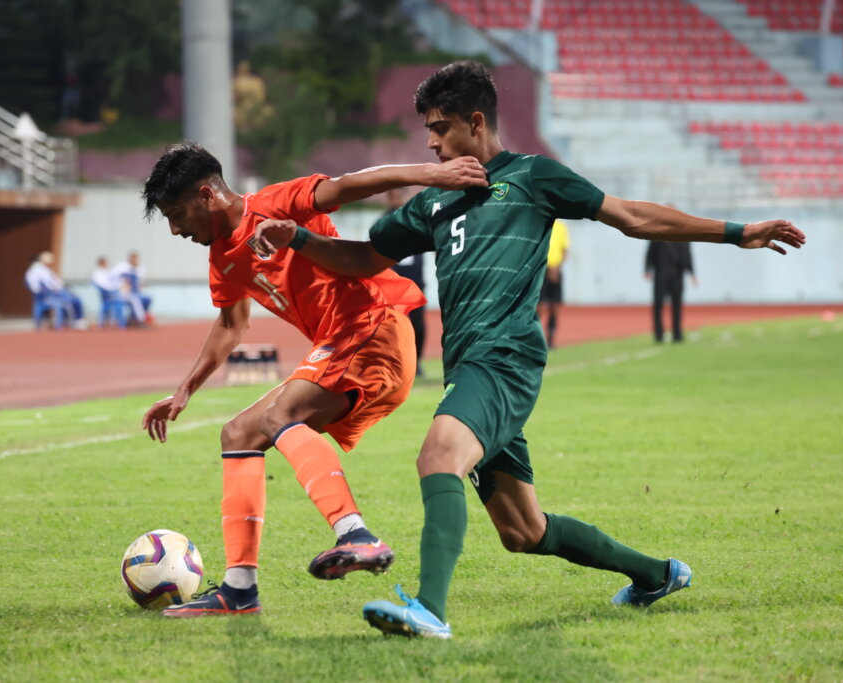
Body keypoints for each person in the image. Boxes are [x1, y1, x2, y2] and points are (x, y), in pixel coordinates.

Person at [253, 60, 806, 639]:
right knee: (524, 531)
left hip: (505, 358)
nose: (432, 143)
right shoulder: (433, 203)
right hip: (468, 367)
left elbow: (631, 216)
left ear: (476, 121)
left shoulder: (533, 177)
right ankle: (658, 574)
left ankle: (429, 612)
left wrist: (736, 231)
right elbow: (364, 258)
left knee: (438, 455)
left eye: (440, 129)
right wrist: (301, 238)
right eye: (427, 132)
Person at [139, 143, 488, 618]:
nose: (176, 229)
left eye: (177, 214)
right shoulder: (222, 256)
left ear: (207, 195)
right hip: (346, 347)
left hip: (372, 329)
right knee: (239, 433)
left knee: (280, 415)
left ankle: (355, 535)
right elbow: (230, 324)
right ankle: (240, 590)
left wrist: (431, 173)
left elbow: (349, 184)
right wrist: (184, 390)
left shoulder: (276, 204)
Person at [385, 188, 427, 376]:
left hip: (416, 282)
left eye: (398, 195)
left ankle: (416, 363)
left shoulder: (414, 219)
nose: (396, 199)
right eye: (392, 195)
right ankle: (394, 363)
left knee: (418, 324)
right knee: (392, 326)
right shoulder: (383, 221)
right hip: (393, 284)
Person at [645, 238, 696, 343]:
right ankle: (659, 335)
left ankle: (677, 335)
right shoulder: (658, 234)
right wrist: (648, 269)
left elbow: (687, 254)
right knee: (658, 305)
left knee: (677, 306)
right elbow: (650, 252)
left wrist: (692, 273)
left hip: (678, 275)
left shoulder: (684, 236)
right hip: (661, 274)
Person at [24, 251, 86, 329]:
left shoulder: (48, 270)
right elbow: (34, 287)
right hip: (46, 295)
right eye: (47, 262)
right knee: (67, 301)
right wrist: (46, 291)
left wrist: (61, 288)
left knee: (76, 299)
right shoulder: (34, 271)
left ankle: (77, 320)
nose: (49, 263)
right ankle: (70, 321)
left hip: (56, 292)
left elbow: (58, 283)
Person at [539, 219, 570, 348]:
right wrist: (546, 268)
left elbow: (565, 250)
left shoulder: (561, 227)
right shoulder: (540, 224)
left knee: (555, 307)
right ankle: (536, 338)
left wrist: (556, 269)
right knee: (539, 307)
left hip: (556, 271)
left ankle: (550, 339)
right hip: (541, 271)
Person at [112, 251, 152, 326]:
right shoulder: (121, 267)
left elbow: (139, 283)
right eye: (134, 259)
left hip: (132, 293)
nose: (135, 261)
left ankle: (134, 318)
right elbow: (112, 278)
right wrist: (121, 285)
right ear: (130, 259)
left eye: (136, 259)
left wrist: (141, 286)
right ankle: (141, 321)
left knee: (146, 299)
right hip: (120, 292)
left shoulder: (138, 269)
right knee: (135, 299)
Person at [91, 256, 128, 328]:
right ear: (101, 264)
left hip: (113, 293)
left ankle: (122, 324)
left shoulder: (107, 272)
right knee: (118, 302)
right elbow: (104, 286)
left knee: (122, 298)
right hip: (107, 296)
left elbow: (115, 281)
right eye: (105, 263)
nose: (107, 265)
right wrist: (115, 289)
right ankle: (121, 325)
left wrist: (120, 286)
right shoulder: (97, 274)